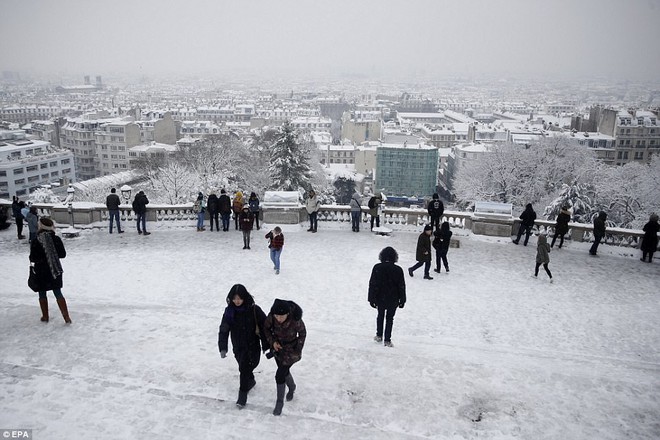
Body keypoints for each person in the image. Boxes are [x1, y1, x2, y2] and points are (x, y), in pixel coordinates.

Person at [217, 284, 267, 408]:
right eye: (234, 299)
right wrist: (223, 347)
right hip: (238, 346)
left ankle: (245, 390)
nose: (237, 301)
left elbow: (265, 327)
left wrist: (267, 345)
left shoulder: (254, 309)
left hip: (253, 346)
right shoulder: (229, 311)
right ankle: (247, 387)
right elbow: (224, 329)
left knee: (247, 367)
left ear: (245, 297)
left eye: (239, 298)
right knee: (244, 368)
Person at [264, 299, 306, 416]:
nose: (279, 318)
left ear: (287, 314)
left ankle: (279, 402)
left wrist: (298, 349)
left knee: (280, 374)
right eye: (277, 316)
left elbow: (302, 333)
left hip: (291, 351)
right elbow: (266, 328)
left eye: (281, 316)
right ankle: (292, 387)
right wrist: (273, 342)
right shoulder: (271, 317)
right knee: (284, 372)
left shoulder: (295, 319)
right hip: (278, 349)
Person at [29, 217, 71, 324]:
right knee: (58, 292)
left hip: (41, 271)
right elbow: (62, 254)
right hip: (55, 270)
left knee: (42, 293)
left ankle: (45, 316)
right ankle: (66, 318)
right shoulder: (56, 239)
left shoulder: (36, 240)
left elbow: (33, 258)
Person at [368, 246, 406, 348]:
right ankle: (387, 339)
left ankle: (379, 334)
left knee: (380, 315)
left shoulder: (377, 267)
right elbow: (401, 286)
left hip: (380, 296)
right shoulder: (398, 270)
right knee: (390, 318)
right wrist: (402, 299)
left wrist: (371, 298)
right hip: (393, 298)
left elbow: (372, 284)